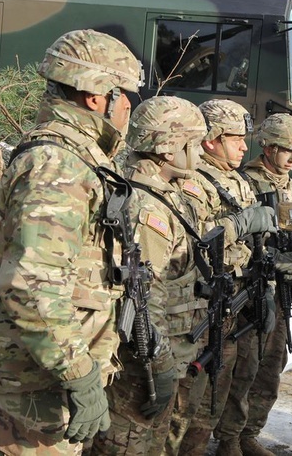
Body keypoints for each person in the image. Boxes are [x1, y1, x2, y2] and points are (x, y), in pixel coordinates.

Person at [0, 29, 143, 454]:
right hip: (34, 384)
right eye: (125, 94)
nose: (129, 107)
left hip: (45, 375)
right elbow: (32, 285)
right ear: (96, 96)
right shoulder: (59, 165)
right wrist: (79, 375)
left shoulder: (77, 159)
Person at [90, 96, 207, 455]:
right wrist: (162, 368)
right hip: (142, 365)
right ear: (169, 149)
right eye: (195, 145)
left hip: (160, 355)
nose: (201, 154)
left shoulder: (164, 196)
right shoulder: (148, 208)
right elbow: (144, 302)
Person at [214, 113, 292, 456]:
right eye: (285, 150)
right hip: (251, 291)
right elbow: (231, 235)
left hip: (283, 290)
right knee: (245, 366)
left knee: (272, 365)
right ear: (267, 147)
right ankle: (229, 438)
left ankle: (250, 433)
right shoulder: (246, 182)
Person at [172, 99, 276, 456]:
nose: (246, 146)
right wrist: (240, 224)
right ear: (210, 140)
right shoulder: (192, 181)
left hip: (232, 304)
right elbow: (193, 240)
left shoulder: (237, 180)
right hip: (199, 309)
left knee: (217, 394)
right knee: (187, 400)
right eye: (236, 138)